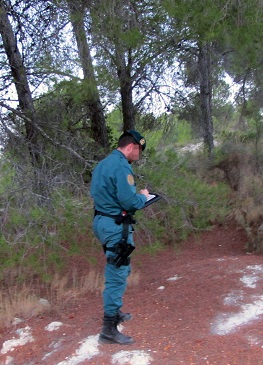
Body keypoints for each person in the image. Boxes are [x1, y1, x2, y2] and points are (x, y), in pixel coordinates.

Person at [90, 130, 149, 345]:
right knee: (117, 273)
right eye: (139, 150)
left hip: (102, 222)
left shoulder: (103, 164)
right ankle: (108, 329)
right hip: (115, 226)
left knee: (119, 266)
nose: (139, 155)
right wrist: (143, 197)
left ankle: (115, 313)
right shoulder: (122, 166)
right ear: (132, 146)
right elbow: (129, 202)